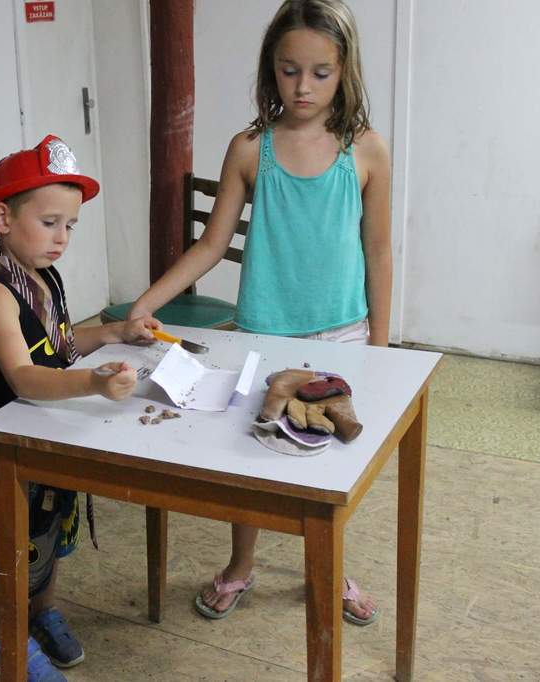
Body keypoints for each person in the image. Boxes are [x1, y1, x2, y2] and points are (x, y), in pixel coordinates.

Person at [128, 0, 391, 626]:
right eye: (288, 70)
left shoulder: (366, 151)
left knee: (330, 459)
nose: (303, 87)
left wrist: (381, 349)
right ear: (270, 68)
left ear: (345, 71)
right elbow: (211, 245)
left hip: (343, 336)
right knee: (250, 458)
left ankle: (331, 564)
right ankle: (240, 565)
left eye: (321, 72)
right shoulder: (251, 149)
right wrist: (146, 302)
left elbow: (378, 251)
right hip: (262, 335)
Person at [0, 134, 161, 681]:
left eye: (70, 225)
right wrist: (92, 383)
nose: (62, 238)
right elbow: (23, 376)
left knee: (53, 533)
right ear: (2, 218)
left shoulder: (44, 277)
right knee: (16, 546)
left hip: (53, 430)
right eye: (49, 223)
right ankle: (12, 641)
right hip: (12, 444)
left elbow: (59, 346)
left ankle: (42, 612)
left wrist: (114, 332)